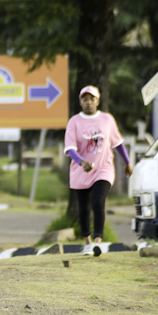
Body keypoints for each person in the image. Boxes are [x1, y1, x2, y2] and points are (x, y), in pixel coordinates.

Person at [64, 85, 133, 256]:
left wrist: (127, 161)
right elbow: (70, 148)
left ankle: (98, 241)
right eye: (85, 99)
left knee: (98, 201)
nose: (89, 102)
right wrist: (82, 162)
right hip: (81, 170)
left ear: (98, 101)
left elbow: (117, 142)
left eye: (92, 99)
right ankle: (87, 242)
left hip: (103, 168)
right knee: (84, 208)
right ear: (80, 102)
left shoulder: (107, 119)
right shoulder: (74, 121)